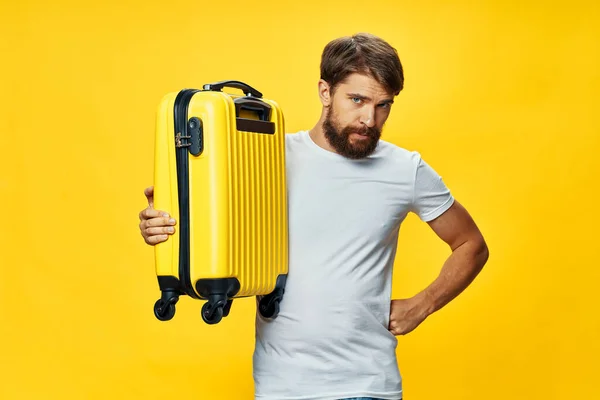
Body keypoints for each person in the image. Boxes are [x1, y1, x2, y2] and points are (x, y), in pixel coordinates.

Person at [139, 32, 489, 400]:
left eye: (383, 105)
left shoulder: (405, 169)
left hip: (368, 385)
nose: (370, 119)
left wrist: (424, 304)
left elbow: (471, 244)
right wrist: (161, 224)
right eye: (357, 100)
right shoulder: (264, 156)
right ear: (325, 92)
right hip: (282, 386)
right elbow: (211, 225)